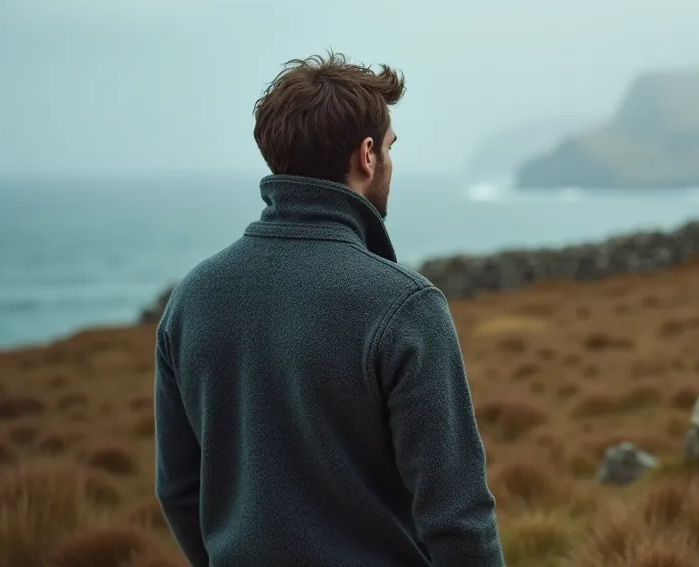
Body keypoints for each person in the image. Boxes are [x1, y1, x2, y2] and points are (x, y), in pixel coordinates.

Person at [152, 53, 505, 566]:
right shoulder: (405, 306)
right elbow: (457, 517)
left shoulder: (193, 297)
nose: (388, 161)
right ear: (367, 155)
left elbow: (180, 491)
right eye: (389, 148)